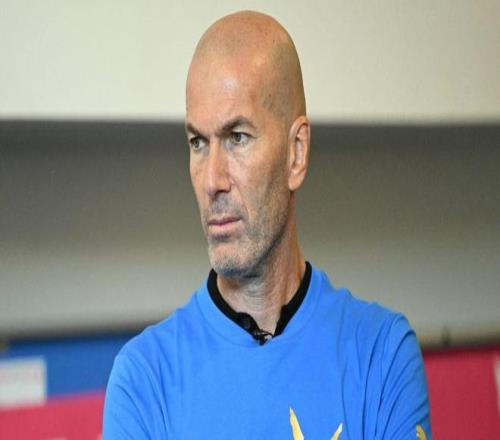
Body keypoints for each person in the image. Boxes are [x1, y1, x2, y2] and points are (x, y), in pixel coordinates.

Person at [103, 10, 430, 439]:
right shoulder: (144, 379)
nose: (212, 181)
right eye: (198, 143)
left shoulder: (380, 355)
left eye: (237, 137)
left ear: (296, 154)